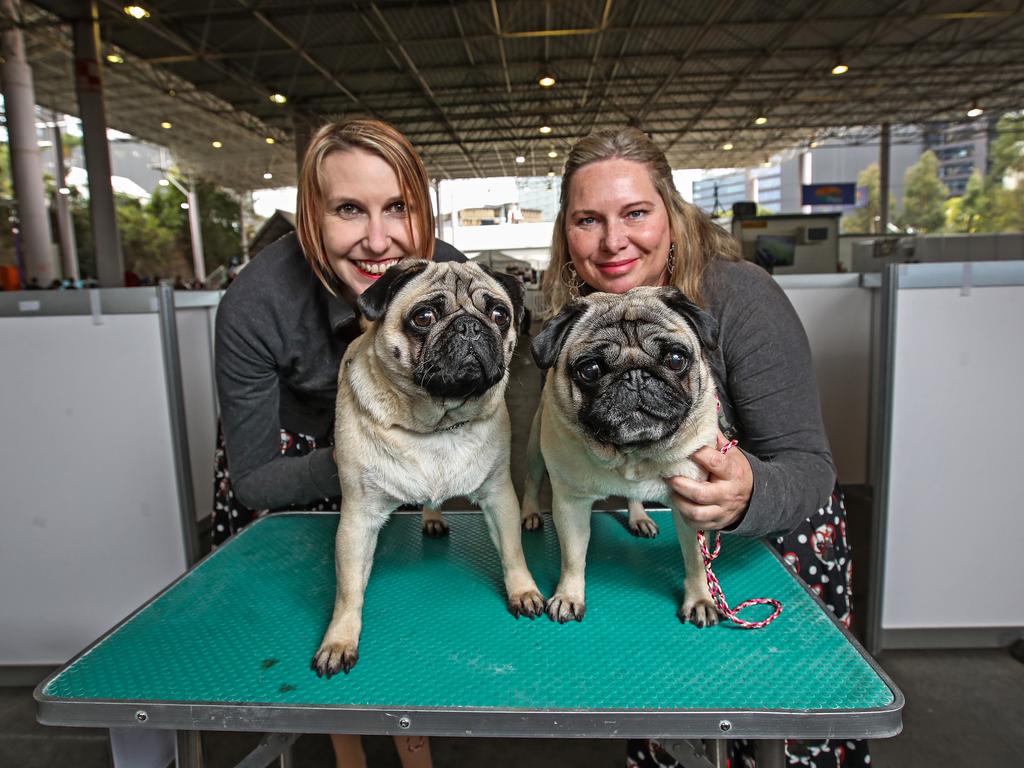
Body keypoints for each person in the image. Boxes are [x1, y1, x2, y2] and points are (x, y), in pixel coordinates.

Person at [540, 127, 866, 768]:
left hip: (772, 548)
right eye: (588, 220)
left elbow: (811, 469)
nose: (614, 240)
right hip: (666, 553)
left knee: (788, 741)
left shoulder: (742, 298)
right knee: (676, 726)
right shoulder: (578, 315)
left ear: (671, 211)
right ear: (565, 232)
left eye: (635, 212)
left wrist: (750, 494)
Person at [214, 118, 462, 768]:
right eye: (349, 210)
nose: (378, 241)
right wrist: (366, 466)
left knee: (410, 624)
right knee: (324, 645)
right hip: (304, 460)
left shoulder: (455, 279)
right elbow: (256, 481)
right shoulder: (256, 304)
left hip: (412, 454)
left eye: (397, 208)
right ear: (310, 219)